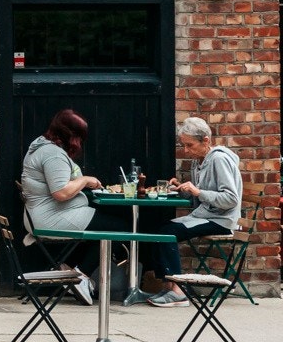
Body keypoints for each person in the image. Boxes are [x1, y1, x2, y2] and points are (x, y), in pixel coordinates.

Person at [18, 109, 131, 305]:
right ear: (71, 135)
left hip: (47, 214)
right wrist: (85, 180)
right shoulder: (52, 154)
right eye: (79, 136)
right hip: (52, 217)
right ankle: (81, 277)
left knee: (105, 227)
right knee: (117, 228)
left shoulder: (42, 147)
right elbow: (61, 192)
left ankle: (69, 269)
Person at [144, 116, 243, 308]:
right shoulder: (199, 162)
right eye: (184, 145)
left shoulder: (219, 160)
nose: (186, 150)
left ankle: (178, 291)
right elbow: (200, 198)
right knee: (157, 231)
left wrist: (198, 191)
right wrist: (182, 189)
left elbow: (231, 199)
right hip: (205, 215)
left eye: (190, 145)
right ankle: (168, 286)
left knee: (166, 234)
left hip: (221, 220)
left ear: (205, 140)